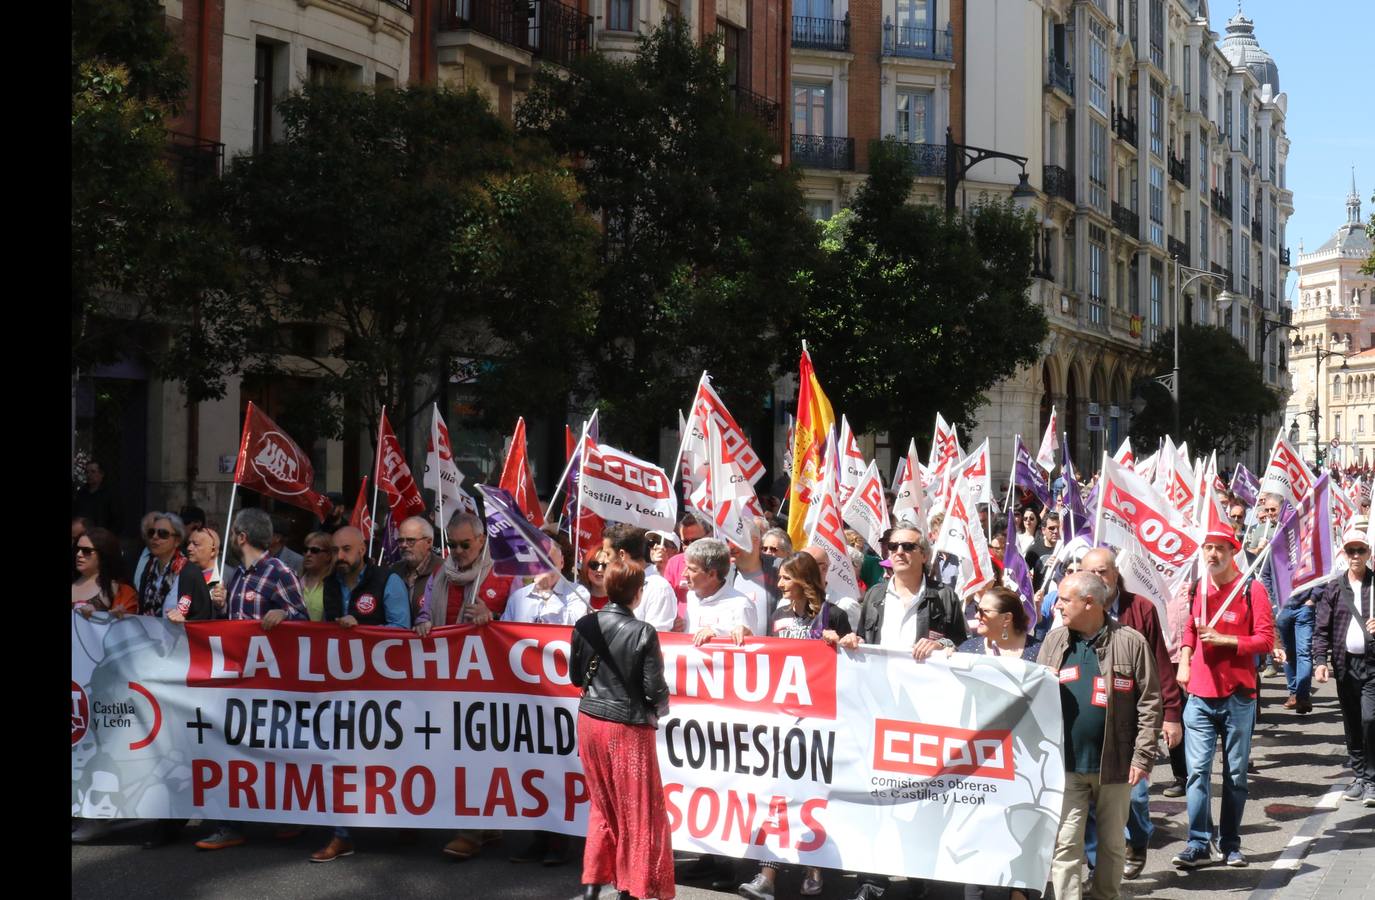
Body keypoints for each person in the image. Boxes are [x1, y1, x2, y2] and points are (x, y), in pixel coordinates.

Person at [836, 527, 965, 900]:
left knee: (919, 798)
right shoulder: (875, 595)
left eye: (909, 546)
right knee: (873, 796)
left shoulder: (943, 597)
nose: (900, 552)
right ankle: (870, 879)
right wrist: (853, 642)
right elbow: (864, 640)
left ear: (924, 554)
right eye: (893, 547)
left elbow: (963, 645)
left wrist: (941, 642)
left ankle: (920, 874)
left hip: (924, 713)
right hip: (878, 710)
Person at [1038, 572, 1161, 900]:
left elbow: (1150, 702)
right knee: (1066, 845)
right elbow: (1034, 701)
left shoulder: (1130, 641)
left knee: (1111, 846)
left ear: (1089, 602)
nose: (1057, 606)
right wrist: (1041, 683)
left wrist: (1143, 756)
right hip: (1066, 765)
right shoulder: (1054, 641)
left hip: (1116, 765)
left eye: (1065, 600)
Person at [738, 552, 849, 899]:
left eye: (786, 578)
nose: (781, 584)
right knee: (780, 794)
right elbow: (767, 654)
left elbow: (856, 662)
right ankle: (767, 876)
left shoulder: (836, 615)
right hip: (784, 719)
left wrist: (843, 643)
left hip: (821, 721)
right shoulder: (779, 614)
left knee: (814, 795)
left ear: (802, 579)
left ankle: (815, 866)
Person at [197, 508, 308, 851]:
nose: (231, 540)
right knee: (231, 750)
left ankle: (286, 818)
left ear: (242, 537)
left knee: (273, 749)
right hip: (238, 682)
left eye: (233, 534)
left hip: (270, 684)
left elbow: (304, 619)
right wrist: (219, 605)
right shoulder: (238, 576)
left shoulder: (279, 572)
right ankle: (229, 824)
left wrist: (285, 613)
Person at [1172, 520, 1275, 869]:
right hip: (1199, 695)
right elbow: (1190, 627)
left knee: (1234, 775)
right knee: (1197, 772)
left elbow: (1265, 640)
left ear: (1233, 552)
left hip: (1238, 697)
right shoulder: (1198, 587)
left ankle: (1230, 842)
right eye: (1208, 548)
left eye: (1220, 548)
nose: (1213, 554)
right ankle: (1198, 841)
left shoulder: (1252, 589)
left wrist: (1227, 640)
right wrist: (1184, 660)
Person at [570, 559, 674, 900]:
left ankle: (591, 886)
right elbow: (654, 690)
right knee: (639, 812)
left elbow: (574, 677)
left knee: (602, 806)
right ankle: (634, 889)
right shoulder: (643, 631)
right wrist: (660, 710)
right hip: (627, 729)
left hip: (589, 722)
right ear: (638, 593)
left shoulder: (585, 624)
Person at [1078, 548, 1184, 879]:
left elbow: (1160, 664)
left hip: (1133, 717)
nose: (1096, 579)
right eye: (1089, 573)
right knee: (1092, 799)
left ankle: (1137, 841)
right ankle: (1100, 865)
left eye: (1102, 572)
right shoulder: (1073, 609)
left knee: (1135, 796)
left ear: (1115, 574)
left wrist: (1171, 713)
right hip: (1090, 718)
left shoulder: (1140, 609)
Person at [310, 525, 412, 862]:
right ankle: (342, 834)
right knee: (339, 758)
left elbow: (402, 630)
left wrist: (365, 631)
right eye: (335, 551)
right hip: (342, 687)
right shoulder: (329, 585)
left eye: (346, 550)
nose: (340, 557)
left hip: (384, 690)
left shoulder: (387, 581)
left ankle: (409, 818)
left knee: (390, 759)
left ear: (363, 548)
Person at [415, 511, 513, 859]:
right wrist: (424, 623)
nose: (457, 551)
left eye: (465, 545)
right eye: (452, 544)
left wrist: (495, 619)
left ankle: (471, 830)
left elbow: (520, 625)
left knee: (477, 752)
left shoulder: (504, 572)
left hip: (490, 682)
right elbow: (425, 611)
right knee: (459, 752)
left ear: (482, 541)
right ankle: (484, 824)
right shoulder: (442, 573)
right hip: (448, 679)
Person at [500, 540, 587, 866]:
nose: (541, 567)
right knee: (531, 768)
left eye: (547, 560)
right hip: (526, 697)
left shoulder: (578, 595)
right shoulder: (519, 598)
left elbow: (575, 637)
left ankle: (560, 839)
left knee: (559, 768)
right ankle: (538, 836)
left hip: (561, 698)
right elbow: (505, 637)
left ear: (561, 561)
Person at [1312, 522, 1375, 807]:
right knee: (1351, 721)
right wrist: (1320, 661)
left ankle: (1371, 780)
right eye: (1351, 550)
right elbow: (1321, 627)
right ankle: (1360, 775)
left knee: (1369, 719)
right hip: (1344, 665)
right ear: (1344, 553)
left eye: (1360, 550)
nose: (1355, 555)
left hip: (1372, 666)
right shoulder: (1335, 588)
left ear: (1368, 553)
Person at [136, 513, 211, 620]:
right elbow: (141, 609)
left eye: (163, 534)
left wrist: (185, 622)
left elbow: (203, 616)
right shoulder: (149, 569)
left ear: (177, 541)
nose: (155, 537)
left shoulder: (190, 573)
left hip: (179, 635)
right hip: (149, 634)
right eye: (151, 532)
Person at [604, 524, 675, 631]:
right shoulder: (618, 582)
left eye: (608, 554)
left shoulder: (659, 588)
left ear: (622, 554)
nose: (605, 561)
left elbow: (657, 635)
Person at [684, 538, 754, 646]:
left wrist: (718, 634)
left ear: (712, 574)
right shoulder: (691, 597)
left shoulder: (741, 605)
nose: (684, 574)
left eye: (692, 570)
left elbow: (749, 649)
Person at [951, 584, 1040, 662]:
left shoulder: (1040, 653)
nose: (977, 616)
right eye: (977, 609)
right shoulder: (967, 650)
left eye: (984, 611)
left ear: (1006, 618)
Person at [72, 527, 138, 619]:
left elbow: (128, 627)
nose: (79, 554)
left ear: (103, 554)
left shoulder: (121, 591)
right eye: (77, 549)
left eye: (86, 551)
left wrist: (113, 617)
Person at [1275, 583, 1318, 715]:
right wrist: (1273, 600)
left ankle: (1302, 697)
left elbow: (1322, 572)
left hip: (1304, 607)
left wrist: (1313, 598)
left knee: (1304, 651)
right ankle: (1294, 693)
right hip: (1282, 608)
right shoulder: (1275, 560)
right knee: (1287, 652)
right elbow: (1266, 574)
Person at [393, 515, 441, 626]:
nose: (404, 545)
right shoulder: (393, 571)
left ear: (429, 542)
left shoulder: (444, 571)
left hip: (433, 641)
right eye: (400, 541)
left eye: (410, 541)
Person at [73, 460, 119, 531]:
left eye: (93, 472)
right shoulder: (82, 493)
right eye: (87, 472)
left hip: (101, 535)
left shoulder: (110, 494)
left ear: (102, 474)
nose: (89, 475)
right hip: (82, 533)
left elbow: (117, 518)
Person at [298, 530, 334, 622]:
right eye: (305, 550)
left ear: (328, 556)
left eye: (315, 550)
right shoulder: (294, 581)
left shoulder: (335, 584)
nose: (308, 554)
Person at [581, 546, 612, 611]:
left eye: (605, 565)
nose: (599, 569)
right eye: (594, 564)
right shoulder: (577, 597)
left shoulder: (621, 600)